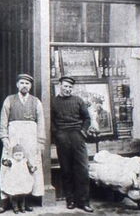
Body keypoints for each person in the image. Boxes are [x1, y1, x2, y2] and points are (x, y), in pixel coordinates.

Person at [0, 74, 45, 213]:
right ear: (17, 85)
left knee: (29, 166)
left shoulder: (36, 102)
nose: (25, 85)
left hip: (31, 136)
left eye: (27, 83)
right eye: (22, 83)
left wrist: (40, 142)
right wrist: (4, 138)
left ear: (30, 86)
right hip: (13, 136)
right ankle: (4, 200)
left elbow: (41, 123)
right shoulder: (9, 100)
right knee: (8, 166)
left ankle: (26, 199)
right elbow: (3, 121)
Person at [51, 76, 95, 213]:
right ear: (60, 86)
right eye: (65, 86)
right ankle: (70, 200)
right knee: (66, 169)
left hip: (77, 135)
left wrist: (82, 132)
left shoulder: (78, 101)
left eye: (70, 87)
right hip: (62, 136)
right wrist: (57, 134)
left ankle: (83, 202)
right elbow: (51, 121)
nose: (67, 89)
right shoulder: (53, 101)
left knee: (82, 169)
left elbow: (87, 118)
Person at [0, 144, 37, 214]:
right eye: (16, 155)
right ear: (13, 155)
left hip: (22, 181)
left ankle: (22, 207)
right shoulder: (12, 161)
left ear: (23, 155)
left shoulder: (25, 161)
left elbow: (30, 167)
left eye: (20, 155)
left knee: (22, 195)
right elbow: (5, 163)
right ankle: (15, 207)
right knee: (14, 196)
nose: (18, 157)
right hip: (14, 181)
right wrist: (4, 160)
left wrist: (32, 168)